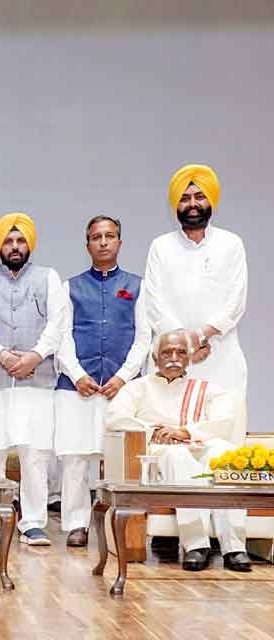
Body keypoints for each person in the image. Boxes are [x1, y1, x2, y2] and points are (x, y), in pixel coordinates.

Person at [106, 330, 251, 572]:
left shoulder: (206, 389)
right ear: (155, 358)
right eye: (167, 352)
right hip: (160, 451)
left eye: (181, 352)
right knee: (178, 456)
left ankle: (234, 548)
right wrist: (153, 430)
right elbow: (114, 418)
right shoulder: (138, 388)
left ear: (189, 358)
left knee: (226, 456)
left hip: (197, 442)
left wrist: (185, 431)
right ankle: (196, 546)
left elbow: (224, 420)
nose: (174, 358)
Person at [0, 213, 64, 547]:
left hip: (36, 381)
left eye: (21, 240)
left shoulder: (49, 278)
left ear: (29, 244)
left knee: (34, 454)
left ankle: (33, 522)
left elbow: (57, 324)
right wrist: (3, 356)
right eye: (8, 241)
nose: (15, 246)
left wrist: (34, 356)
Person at [54, 215, 150, 547]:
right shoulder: (70, 287)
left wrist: (123, 377)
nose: (104, 242)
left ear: (120, 242)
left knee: (121, 458)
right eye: (97, 237)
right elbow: (61, 336)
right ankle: (76, 524)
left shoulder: (137, 286)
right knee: (75, 459)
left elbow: (144, 337)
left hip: (121, 388)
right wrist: (77, 374)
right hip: (77, 388)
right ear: (88, 245)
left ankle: (118, 524)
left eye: (110, 236)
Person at [143, 164, 248, 436]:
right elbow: (153, 302)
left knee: (224, 436)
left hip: (222, 356)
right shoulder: (161, 246)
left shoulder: (231, 244)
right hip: (172, 359)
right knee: (168, 438)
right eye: (185, 198)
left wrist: (200, 335)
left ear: (211, 200)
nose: (192, 204)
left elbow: (236, 301)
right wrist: (184, 345)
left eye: (199, 197)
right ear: (175, 205)